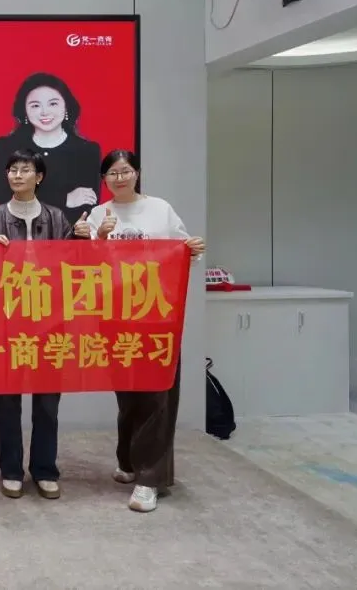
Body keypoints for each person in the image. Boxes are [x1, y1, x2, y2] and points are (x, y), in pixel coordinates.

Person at [76, 149, 206, 513]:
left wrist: (193, 248)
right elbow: (87, 266)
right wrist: (96, 239)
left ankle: (151, 479)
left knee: (157, 394)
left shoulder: (160, 209)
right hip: (115, 315)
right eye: (112, 173)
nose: (119, 178)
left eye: (125, 171)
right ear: (104, 179)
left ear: (137, 173)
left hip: (156, 314)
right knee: (128, 393)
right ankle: (129, 461)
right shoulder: (98, 214)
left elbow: (184, 252)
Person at [0, 150, 86, 500]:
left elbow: (72, 265)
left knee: (47, 401)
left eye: (25, 169)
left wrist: (82, 238)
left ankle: (45, 469)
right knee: (8, 400)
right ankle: (11, 470)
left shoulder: (57, 218)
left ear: (39, 177)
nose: (17, 175)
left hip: (48, 319)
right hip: (7, 320)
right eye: (12, 169)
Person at [0, 72, 102, 225]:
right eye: (35, 105)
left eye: (53, 104)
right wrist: (65, 199)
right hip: (19, 232)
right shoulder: (6, 147)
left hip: (69, 234)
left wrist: (31, 196)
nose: (44, 112)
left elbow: (87, 203)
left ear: (66, 106)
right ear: (25, 111)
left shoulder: (87, 151)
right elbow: (4, 198)